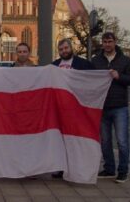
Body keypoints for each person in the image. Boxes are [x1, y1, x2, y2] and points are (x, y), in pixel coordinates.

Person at [92, 32, 130, 183]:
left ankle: (123, 171)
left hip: (119, 107)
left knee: (122, 141)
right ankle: (109, 168)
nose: (107, 44)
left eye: (110, 41)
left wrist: (119, 76)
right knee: (105, 141)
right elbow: (89, 79)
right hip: (102, 106)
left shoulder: (124, 60)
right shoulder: (96, 61)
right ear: (102, 43)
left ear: (115, 42)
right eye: (104, 42)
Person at [51, 38, 94, 178]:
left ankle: (76, 167)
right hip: (59, 108)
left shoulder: (83, 64)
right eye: (61, 49)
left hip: (76, 108)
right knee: (60, 139)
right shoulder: (54, 66)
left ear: (71, 48)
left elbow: (94, 78)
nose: (64, 51)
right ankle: (61, 167)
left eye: (66, 48)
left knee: (75, 139)